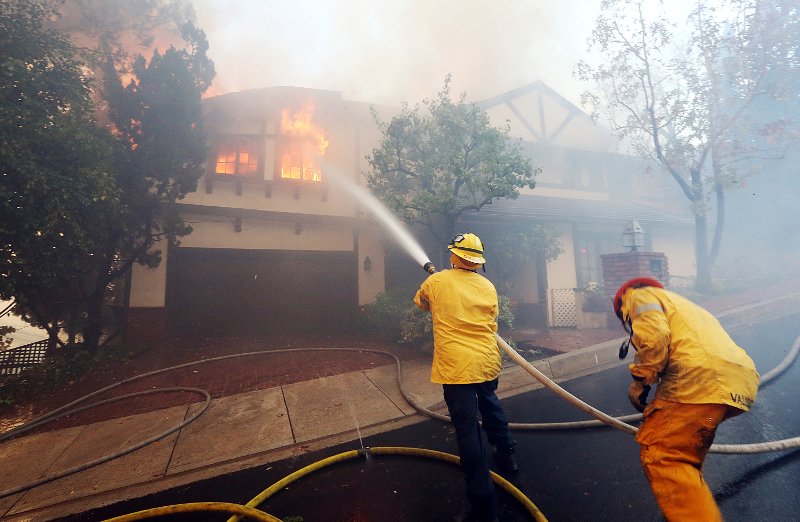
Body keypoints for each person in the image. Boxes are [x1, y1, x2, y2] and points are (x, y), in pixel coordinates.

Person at [613, 277, 760, 521]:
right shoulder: (680, 304)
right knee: (684, 457)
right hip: (738, 382)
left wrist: (640, 381)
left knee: (664, 456)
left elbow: (655, 337)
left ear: (621, 304)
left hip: (700, 380)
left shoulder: (638, 297)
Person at [414, 233, 517, 522]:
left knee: (468, 430)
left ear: (455, 256)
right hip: (485, 360)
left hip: (457, 367)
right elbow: (491, 316)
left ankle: (483, 503)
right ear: (477, 260)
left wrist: (439, 285)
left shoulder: (436, 281)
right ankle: (507, 453)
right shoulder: (487, 285)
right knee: (490, 404)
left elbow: (421, 303)